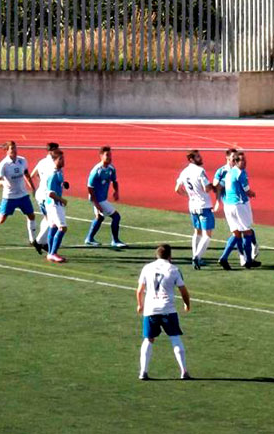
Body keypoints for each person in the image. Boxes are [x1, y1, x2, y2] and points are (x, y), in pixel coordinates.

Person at [136, 244, 191, 381]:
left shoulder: (147, 268)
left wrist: (140, 305)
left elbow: (140, 290)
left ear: (157, 255)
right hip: (168, 309)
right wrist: (186, 304)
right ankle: (183, 371)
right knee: (175, 338)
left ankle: (143, 372)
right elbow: (183, 290)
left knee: (148, 339)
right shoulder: (174, 269)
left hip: (151, 309)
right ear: (170, 256)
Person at [0, 141, 39, 252]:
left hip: (22, 195)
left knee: (31, 216)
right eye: (12, 149)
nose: (14, 151)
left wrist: (33, 188)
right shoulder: (4, 164)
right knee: (2, 219)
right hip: (9, 196)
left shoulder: (22, 160)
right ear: (7, 151)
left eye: (15, 148)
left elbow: (26, 174)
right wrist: (3, 183)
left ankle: (32, 240)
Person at [212, 148, 259, 266]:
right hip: (239, 205)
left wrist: (218, 200)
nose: (245, 162)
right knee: (247, 232)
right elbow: (247, 190)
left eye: (245, 160)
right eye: (242, 160)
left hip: (228, 205)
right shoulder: (240, 173)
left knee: (236, 233)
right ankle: (248, 260)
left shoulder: (229, 172)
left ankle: (224, 257)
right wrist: (252, 193)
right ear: (237, 162)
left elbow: (218, 186)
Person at [175, 150, 216, 270]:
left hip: (192, 206)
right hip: (204, 205)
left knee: (197, 232)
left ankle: (195, 255)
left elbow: (177, 189)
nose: (200, 158)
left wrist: (189, 195)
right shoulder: (200, 171)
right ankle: (197, 257)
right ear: (192, 159)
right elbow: (206, 188)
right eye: (198, 156)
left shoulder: (184, 172)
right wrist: (214, 185)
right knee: (207, 235)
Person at [84, 146, 126, 248]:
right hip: (97, 199)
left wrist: (116, 191)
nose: (109, 157)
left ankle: (89, 238)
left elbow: (114, 181)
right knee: (116, 216)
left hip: (102, 198)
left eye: (110, 155)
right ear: (101, 156)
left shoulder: (111, 168)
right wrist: (96, 203)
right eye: (107, 155)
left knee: (100, 218)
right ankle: (115, 241)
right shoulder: (96, 170)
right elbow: (90, 188)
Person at [30, 142, 61, 252]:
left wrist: (38, 184)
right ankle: (38, 241)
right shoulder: (52, 164)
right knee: (51, 220)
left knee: (46, 218)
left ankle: (44, 242)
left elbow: (33, 175)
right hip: (46, 195)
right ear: (51, 151)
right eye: (57, 150)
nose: (59, 152)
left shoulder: (41, 161)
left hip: (40, 193)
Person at [44, 149, 68, 263]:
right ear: (54, 160)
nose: (63, 161)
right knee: (62, 228)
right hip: (54, 204)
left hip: (52, 204)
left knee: (53, 227)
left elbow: (58, 184)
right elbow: (50, 193)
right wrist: (62, 200)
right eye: (60, 159)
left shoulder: (59, 171)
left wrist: (63, 184)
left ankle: (50, 252)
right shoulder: (53, 174)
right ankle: (53, 253)